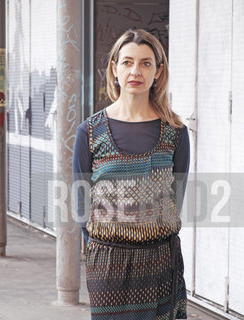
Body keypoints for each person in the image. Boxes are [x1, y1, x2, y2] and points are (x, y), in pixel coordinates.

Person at [72, 29, 190, 320]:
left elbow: (176, 199)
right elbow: (81, 206)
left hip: (161, 262)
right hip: (108, 265)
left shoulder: (176, 133)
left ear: (158, 72)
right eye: (127, 62)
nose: (135, 70)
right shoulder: (89, 132)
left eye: (146, 63)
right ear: (114, 68)